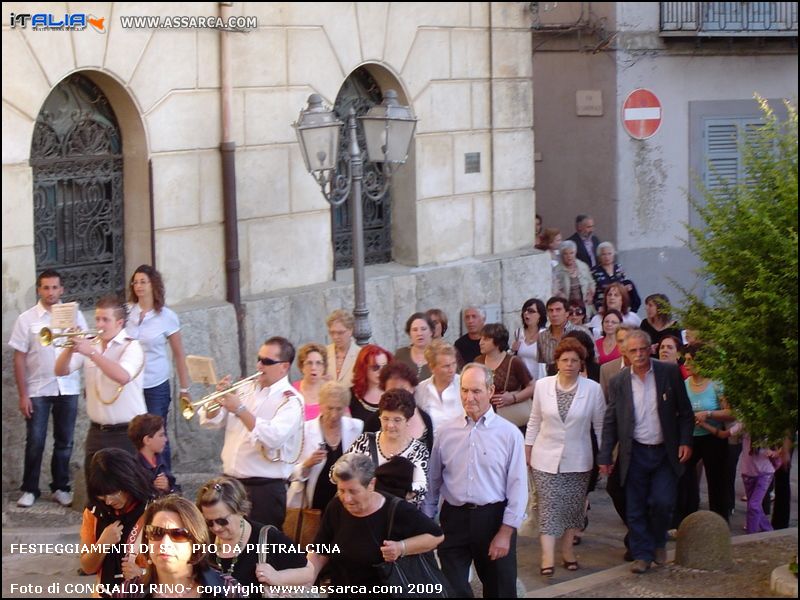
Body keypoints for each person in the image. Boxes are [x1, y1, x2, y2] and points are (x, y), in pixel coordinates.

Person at [255, 453, 444, 589]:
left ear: (371, 484)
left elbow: (436, 536)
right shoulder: (336, 506)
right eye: (341, 490)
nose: (346, 498)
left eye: (353, 491)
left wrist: (401, 547)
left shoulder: (397, 510)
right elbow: (321, 551)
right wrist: (304, 580)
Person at [423, 363, 527, 598]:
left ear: (491, 391)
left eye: (476, 391)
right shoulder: (446, 433)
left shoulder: (509, 435)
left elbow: (518, 488)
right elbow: (433, 482)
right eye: (464, 390)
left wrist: (505, 532)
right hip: (454, 518)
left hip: (493, 519)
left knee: (501, 590)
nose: (469, 397)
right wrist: (428, 522)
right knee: (452, 589)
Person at [598, 330, 694, 574]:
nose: (639, 354)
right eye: (633, 351)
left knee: (662, 502)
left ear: (650, 348)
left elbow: (685, 412)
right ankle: (642, 555)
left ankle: (659, 540)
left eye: (643, 349)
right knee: (635, 505)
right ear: (625, 353)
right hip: (635, 452)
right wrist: (605, 455)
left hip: (664, 451)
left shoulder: (668, 373)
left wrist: (685, 441)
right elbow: (610, 420)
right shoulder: (619, 381)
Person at [199, 336, 303, 528]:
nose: (259, 365)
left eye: (267, 362)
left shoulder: (291, 401)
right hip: (231, 484)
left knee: (261, 547)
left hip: (264, 489)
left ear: (284, 367)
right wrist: (217, 398)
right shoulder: (245, 389)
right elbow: (211, 420)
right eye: (259, 359)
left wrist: (240, 410)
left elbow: (273, 437)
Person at [525, 338, 605, 577]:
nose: (569, 364)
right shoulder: (542, 386)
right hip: (544, 457)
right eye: (565, 360)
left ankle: (568, 550)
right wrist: (527, 450)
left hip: (579, 459)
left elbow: (599, 426)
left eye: (574, 360)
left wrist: (603, 458)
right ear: (557, 362)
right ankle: (546, 555)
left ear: (582, 363)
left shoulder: (593, 389)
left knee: (573, 509)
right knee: (548, 507)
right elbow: (534, 420)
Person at [9, 269, 88, 508]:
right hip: (38, 389)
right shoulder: (27, 319)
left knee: (65, 441)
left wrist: (76, 334)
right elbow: (19, 358)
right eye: (46, 287)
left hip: (68, 387)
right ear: (38, 290)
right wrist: (23, 394)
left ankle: (60, 487)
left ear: (62, 290)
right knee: (35, 440)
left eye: (55, 287)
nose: (51, 292)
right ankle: (30, 489)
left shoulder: (75, 315)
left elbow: (87, 348)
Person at [55, 295, 146, 480]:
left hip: (127, 431)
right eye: (97, 319)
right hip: (97, 431)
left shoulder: (131, 346)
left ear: (119, 322)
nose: (100, 324)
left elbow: (122, 376)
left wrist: (92, 353)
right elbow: (60, 370)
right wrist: (69, 347)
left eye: (106, 320)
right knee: (95, 487)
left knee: (127, 487)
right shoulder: (92, 344)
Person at [196, 477, 307, 598]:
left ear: (240, 510)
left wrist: (277, 577)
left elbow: (308, 571)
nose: (216, 528)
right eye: (209, 522)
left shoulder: (267, 538)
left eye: (222, 521)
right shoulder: (203, 539)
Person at [116, 494, 244, 598]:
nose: (165, 544)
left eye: (178, 534)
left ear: (196, 542)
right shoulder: (128, 592)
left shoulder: (227, 590)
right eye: (156, 533)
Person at [127, 265, 191, 471]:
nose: (138, 286)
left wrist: (184, 388)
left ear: (153, 284)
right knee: (134, 434)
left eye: (143, 282)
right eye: (135, 282)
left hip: (156, 383)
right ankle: (140, 479)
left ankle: (164, 479)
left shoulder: (166, 316)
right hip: (131, 383)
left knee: (156, 434)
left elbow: (179, 354)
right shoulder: (127, 312)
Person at [673, 344, 733, 526]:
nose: (687, 364)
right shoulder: (684, 385)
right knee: (683, 478)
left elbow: (731, 412)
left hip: (712, 437)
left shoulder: (717, 384)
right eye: (685, 360)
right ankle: (684, 520)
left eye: (691, 360)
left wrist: (708, 414)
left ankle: (720, 522)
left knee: (716, 479)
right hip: (689, 437)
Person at [80, 448, 155, 595]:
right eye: (102, 496)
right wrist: (103, 544)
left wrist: (143, 573)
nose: (108, 501)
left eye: (113, 493)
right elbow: (87, 567)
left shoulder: (155, 510)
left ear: (128, 482)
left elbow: (175, 569)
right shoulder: (94, 511)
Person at [348, 389, 430, 506]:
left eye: (397, 420)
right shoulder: (365, 441)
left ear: (408, 420)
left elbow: (419, 493)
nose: (390, 425)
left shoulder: (419, 451)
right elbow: (336, 473)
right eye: (385, 419)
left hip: (398, 519)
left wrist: (370, 486)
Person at [290, 381, 363, 510]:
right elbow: (290, 472)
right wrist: (307, 464)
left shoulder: (357, 427)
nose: (334, 414)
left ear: (346, 407)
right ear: (321, 405)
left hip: (347, 502)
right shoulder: (304, 430)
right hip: (314, 503)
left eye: (339, 409)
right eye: (330, 408)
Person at [476, 323, 534, 428]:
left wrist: (513, 398)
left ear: (497, 342)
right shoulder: (478, 361)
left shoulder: (513, 362)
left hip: (509, 419)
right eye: (481, 339)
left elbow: (532, 386)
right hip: (484, 418)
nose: (481, 343)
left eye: (486, 339)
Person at [370, 361, 434, 452]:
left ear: (412, 388)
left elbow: (431, 453)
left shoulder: (425, 418)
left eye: (403, 389)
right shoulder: (374, 421)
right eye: (392, 390)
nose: (398, 395)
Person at [415, 340, 462, 436]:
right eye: (446, 366)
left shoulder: (465, 384)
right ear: (432, 367)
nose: (452, 370)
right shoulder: (420, 390)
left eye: (454, 364)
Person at [538, 296, 592, 376]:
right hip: (551, 381)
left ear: (567, 313)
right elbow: (542, 365)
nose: (554, 314)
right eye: (551, 310)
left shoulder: (582, 332)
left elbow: (593, 359)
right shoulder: (542, 337)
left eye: (558, 310)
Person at [128, 413, 179, 495]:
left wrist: (168, 488)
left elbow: (176, 490)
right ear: (147, 440)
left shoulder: (160, 460)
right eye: (161, 435)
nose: (165, 439)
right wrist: (152, 489)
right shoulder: (135, 468)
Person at [591, 242, 641, 313]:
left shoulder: (618, 268)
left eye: (609, 253)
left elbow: (623, 283)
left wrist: (624, 289)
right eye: (604, 254)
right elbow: (592, 293)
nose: (607, 257)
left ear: (613, 254)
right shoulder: (594, 271)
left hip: (619, 307)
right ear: (599, 256)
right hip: (602, 308)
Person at [348, 344, 392, 423]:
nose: (381, 372)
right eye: (375, 367)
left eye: (385, 367)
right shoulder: (349, 396)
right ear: (363, 368)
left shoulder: (394, 394)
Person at [553, 240, 596, 317]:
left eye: (571, 253)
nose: (569, 256)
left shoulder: (583, 266)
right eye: (566, 254)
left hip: (584, 307)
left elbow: (591, 282)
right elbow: (554, 289)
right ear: (562, 255)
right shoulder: (557, 270)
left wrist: (591, 293)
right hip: (567, 308)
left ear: (575, 253)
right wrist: (559, 294)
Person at [510, 298, 547, 381]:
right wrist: (512, 350)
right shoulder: (518, 333)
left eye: (531, 311)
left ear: (540, 315)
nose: (526, 313)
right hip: (522, 382)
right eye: (525, 310)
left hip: (540, 381)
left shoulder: (546, 334)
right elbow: (512, 357)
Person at [292, 342, 328, 421]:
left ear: (324, 367)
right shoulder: (292, 391)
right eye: (309, 363)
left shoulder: (333, 391)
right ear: (301, 366)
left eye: (318, 363)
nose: (313, 367)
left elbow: (346, 424)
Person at [394, 312, 434, 381]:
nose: (419, 333)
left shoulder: (441, 355)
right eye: (415, 330)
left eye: (423, 329)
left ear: (431, 331)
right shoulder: (401, 354)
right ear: (409, 334)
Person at [325, 309, 359, 387]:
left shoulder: (360, 354)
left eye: (340, 333)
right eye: (332, 332)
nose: (335, 337)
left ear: (350, 330)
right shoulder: (324, 353)